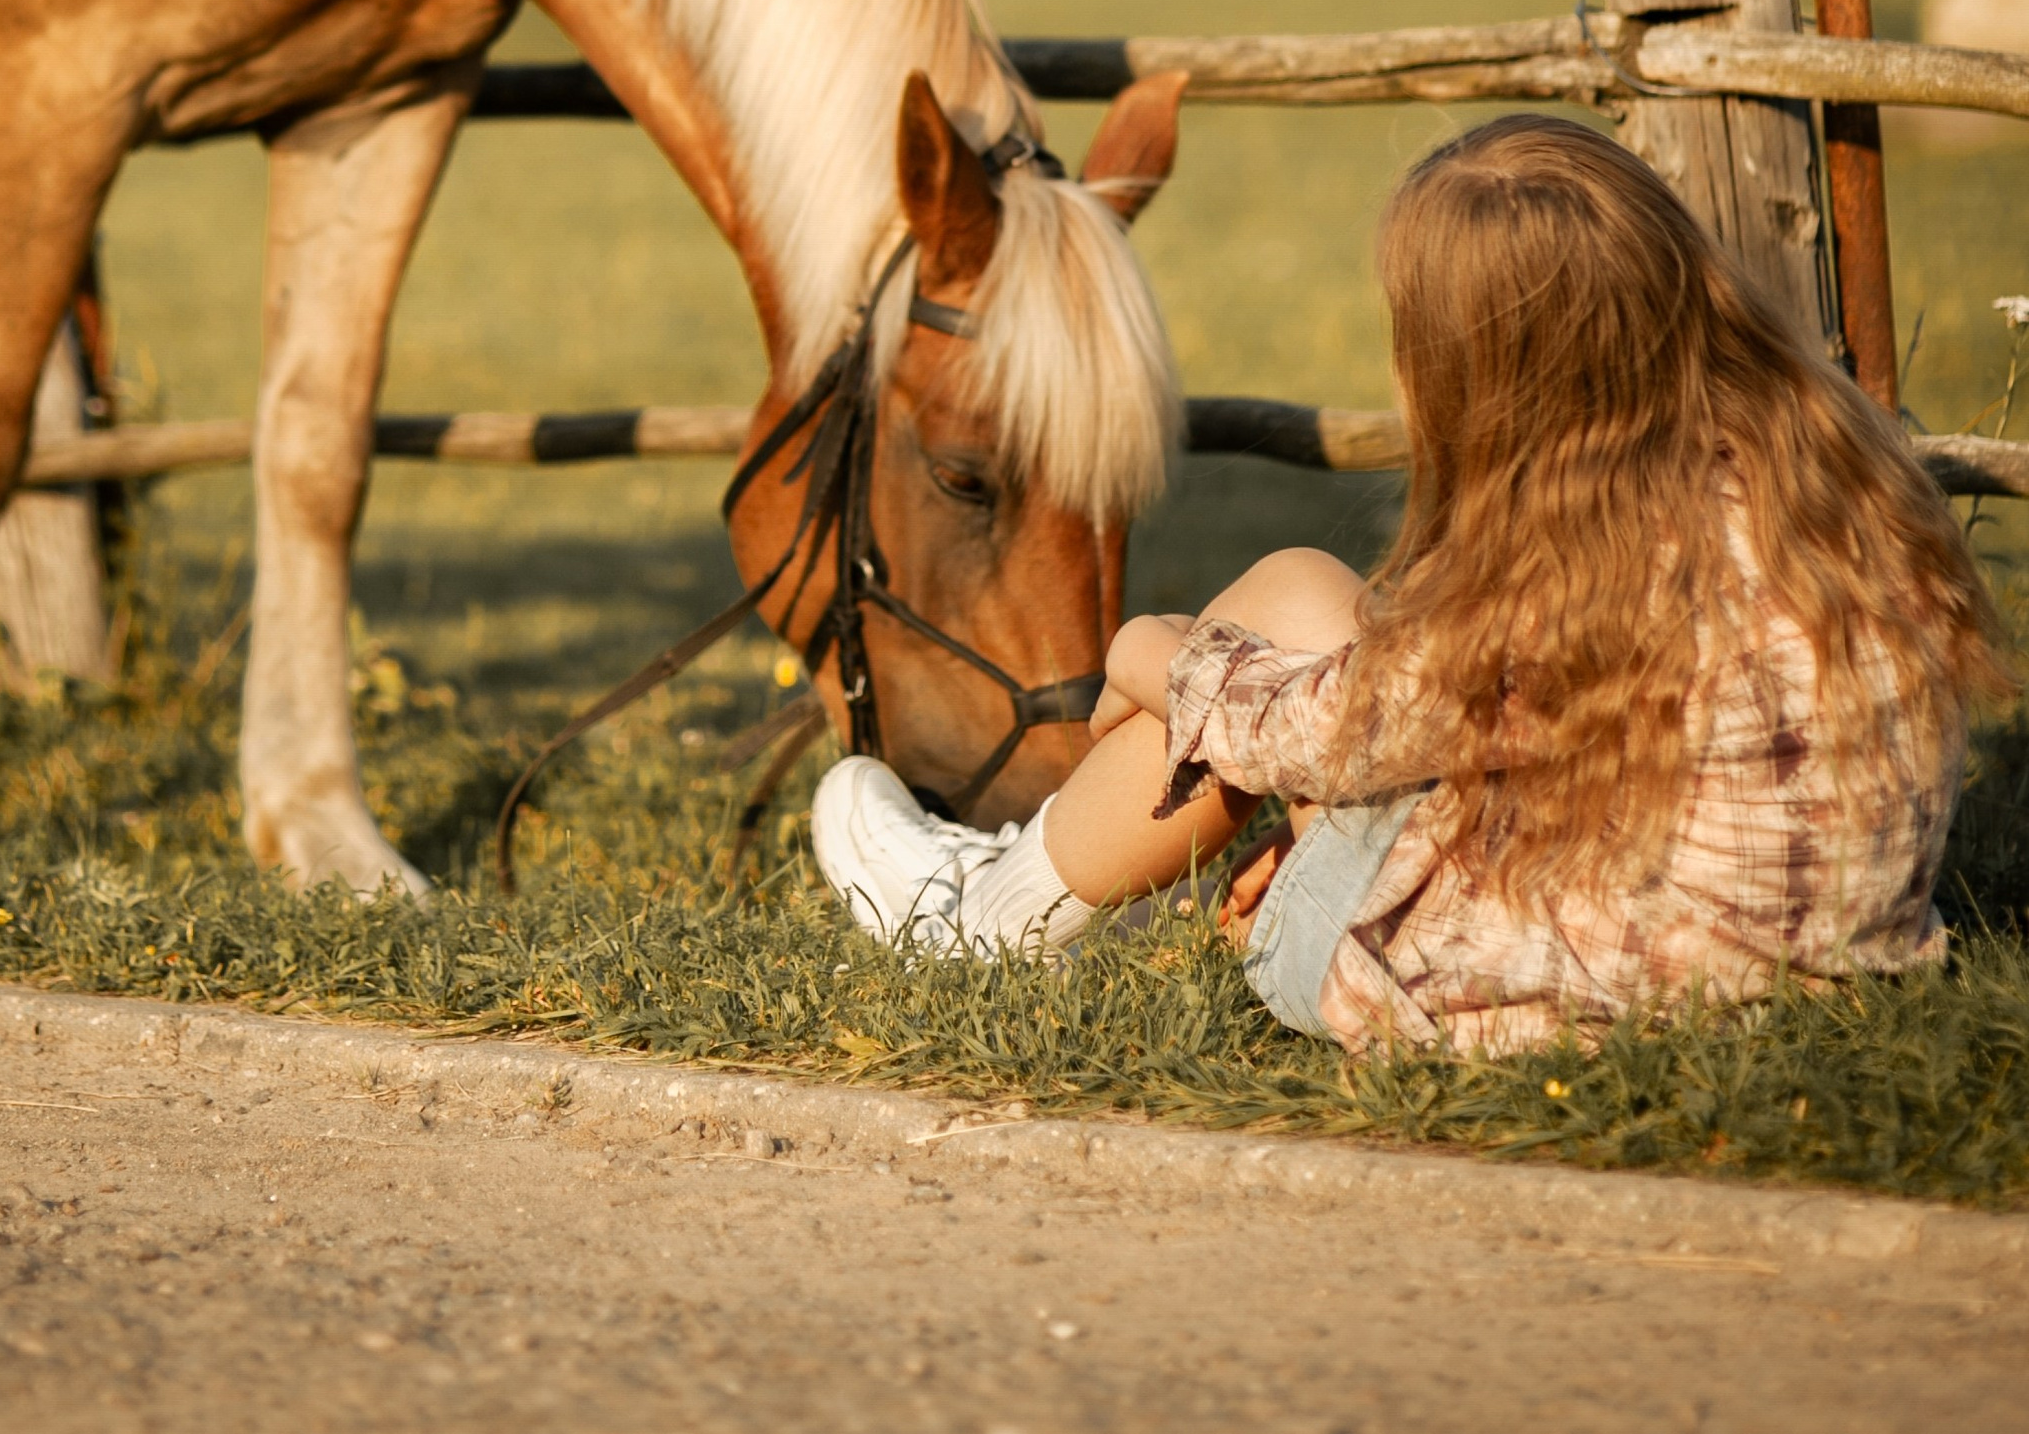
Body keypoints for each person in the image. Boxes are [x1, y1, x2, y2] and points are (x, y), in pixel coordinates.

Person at [811, 114, 2010, 1052]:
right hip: (1822, 964)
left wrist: (1146, 650)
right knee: (1316, 663)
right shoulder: (1826, 470)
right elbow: (1532, 745)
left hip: (1520, 1000)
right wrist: (1349, 814)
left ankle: (982, 921)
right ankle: (1032, 884)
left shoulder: (1569, 561)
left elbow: (1304, 734)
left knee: (1279, 604)